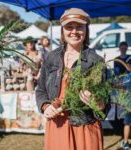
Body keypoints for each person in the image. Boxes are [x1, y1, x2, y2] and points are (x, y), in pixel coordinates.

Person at [36, 8, 108, 150]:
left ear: (86, 30)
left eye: (79, 27)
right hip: (57, 127)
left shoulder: (96, 61)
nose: (74, 31)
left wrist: (98, 103)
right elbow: (40, 89)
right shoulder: (51, 58)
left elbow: (106, 100)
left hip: (85, 128)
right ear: (62, 30)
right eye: (69, 27)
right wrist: (45, 106)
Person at [114, 41, 131, 150]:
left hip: (127, 93)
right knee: (127, 120)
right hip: (124, 90)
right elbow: (116, 74)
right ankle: (125, 141)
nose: (123, 49)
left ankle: (125, 142)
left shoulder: (129, 57)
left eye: (125, 47)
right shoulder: (117, 60)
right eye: (122, 47)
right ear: (120, 48)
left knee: (127, 121)